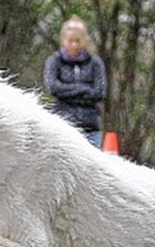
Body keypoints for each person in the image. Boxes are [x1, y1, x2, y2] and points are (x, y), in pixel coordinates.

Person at [43, 16, 107, 148]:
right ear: (63, 40)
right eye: (70, 41)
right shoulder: (54, 61)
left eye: (78, 41)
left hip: (90, 126)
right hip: (63, 125)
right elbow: (53, 88)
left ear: (84, 40)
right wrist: (83, 89)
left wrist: (68, 91)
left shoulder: (95, 63)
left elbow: (99, 92)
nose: (74, 45)